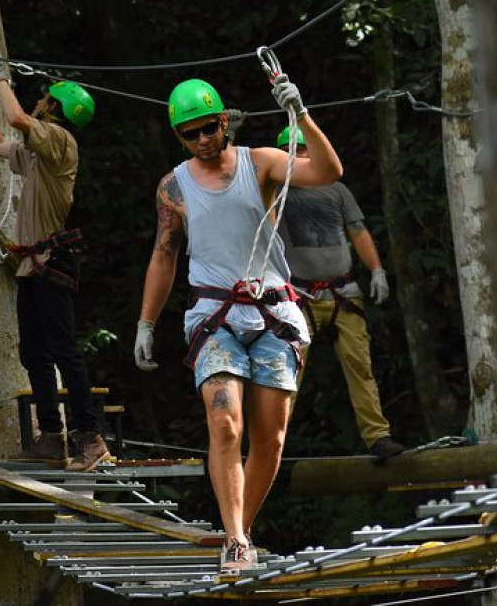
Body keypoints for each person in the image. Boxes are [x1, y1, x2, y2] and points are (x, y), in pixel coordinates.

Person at [133, 76, 342, 572]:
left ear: (224, 121)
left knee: (270, 439)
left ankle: (240, 532)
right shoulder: (173, 187)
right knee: (225, 421)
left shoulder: (259, 162)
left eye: (209, 128)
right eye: (191, 134)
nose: (202, 140)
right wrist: (146, 323)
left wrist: (301, 114)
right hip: (214, 314)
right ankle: (235, 539)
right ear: (179, 137)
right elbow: (164, 254)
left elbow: (329, 171)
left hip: (272, 312)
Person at [0, 54, 110, 473]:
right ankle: (52, 437)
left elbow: (15, 120)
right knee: (33, 352)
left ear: (56, 109)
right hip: (34, 265)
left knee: (64, 349)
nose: (39, 100)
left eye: (45, 98)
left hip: (54, 261)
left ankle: (90, 436)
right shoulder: (36, 152)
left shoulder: (60, 142)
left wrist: (0, 77)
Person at [275, 127, 405, 463]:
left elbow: (358, 233)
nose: (300, 157)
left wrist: (376, 269)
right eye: (292, 152)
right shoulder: (276, 190)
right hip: (298, 297)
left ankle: (378, 437)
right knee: (285, 371)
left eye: (303, 150)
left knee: (360, 366)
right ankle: (269, 443)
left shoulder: (337, 190)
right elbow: (238, 186)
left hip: (343, 293)